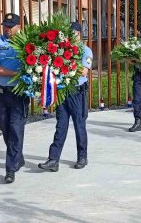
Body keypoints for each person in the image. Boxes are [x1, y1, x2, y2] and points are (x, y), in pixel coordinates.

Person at [38, 21, 93, 172]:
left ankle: (82, 156)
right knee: (60, 126)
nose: (71, 36)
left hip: (77, 92)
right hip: (63, 92)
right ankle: (53, 160)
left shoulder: (85, 51)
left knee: (79, 125)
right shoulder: (63, 50)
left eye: (73, 33)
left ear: (79, 34)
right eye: (69, 33)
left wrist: (67, 63)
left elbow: (84, 72)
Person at [0, 13, 29, 184]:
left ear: (19, 26)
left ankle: (10, 169)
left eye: (11, 26)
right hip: (1, 93)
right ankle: (17, 156)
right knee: (4, 126)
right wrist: (16, 74)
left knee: (15, 128)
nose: (7, 29)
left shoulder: (27, 43)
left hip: (19, 93)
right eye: (5, 25)